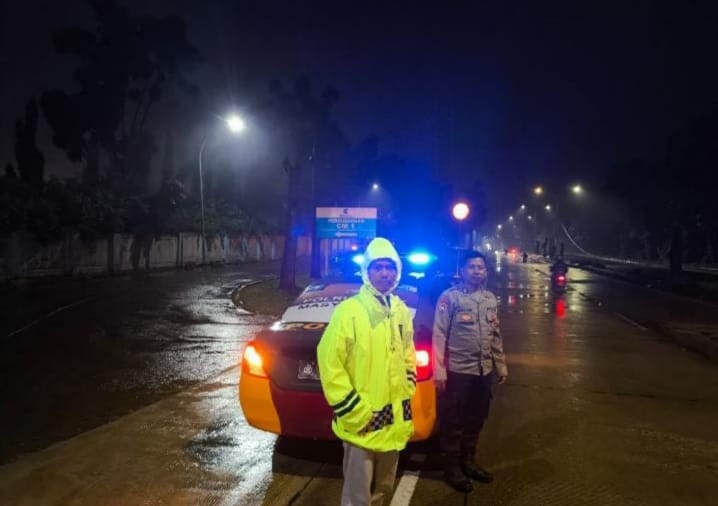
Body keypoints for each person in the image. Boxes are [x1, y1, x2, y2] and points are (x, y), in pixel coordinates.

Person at [317, 237, 417, 505]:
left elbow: (408, 352)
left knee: (385, 488)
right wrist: (354, 410)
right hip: (361, 421)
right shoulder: (349, 311)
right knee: (357, 495)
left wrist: (408, 382)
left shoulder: (400, 310)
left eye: (390, 267)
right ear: (367, 272)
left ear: (397, 271)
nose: (385, 273)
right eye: (378, 267)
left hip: (393, 420)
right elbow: (329, 363)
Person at [433, 250, 508, 493]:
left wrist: (500, 365)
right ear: (462, 271)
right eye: (472, 267)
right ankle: (452, 468)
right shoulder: (450, 298)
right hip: (458, 372)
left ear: (486, 272)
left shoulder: (489, 299)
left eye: (481, 267)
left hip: (483, 372)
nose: (477, 271)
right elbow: (439, 334)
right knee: (453, 421)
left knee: (476, 419)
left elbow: (495, 335)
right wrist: (439, 370)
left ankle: (469, 462)